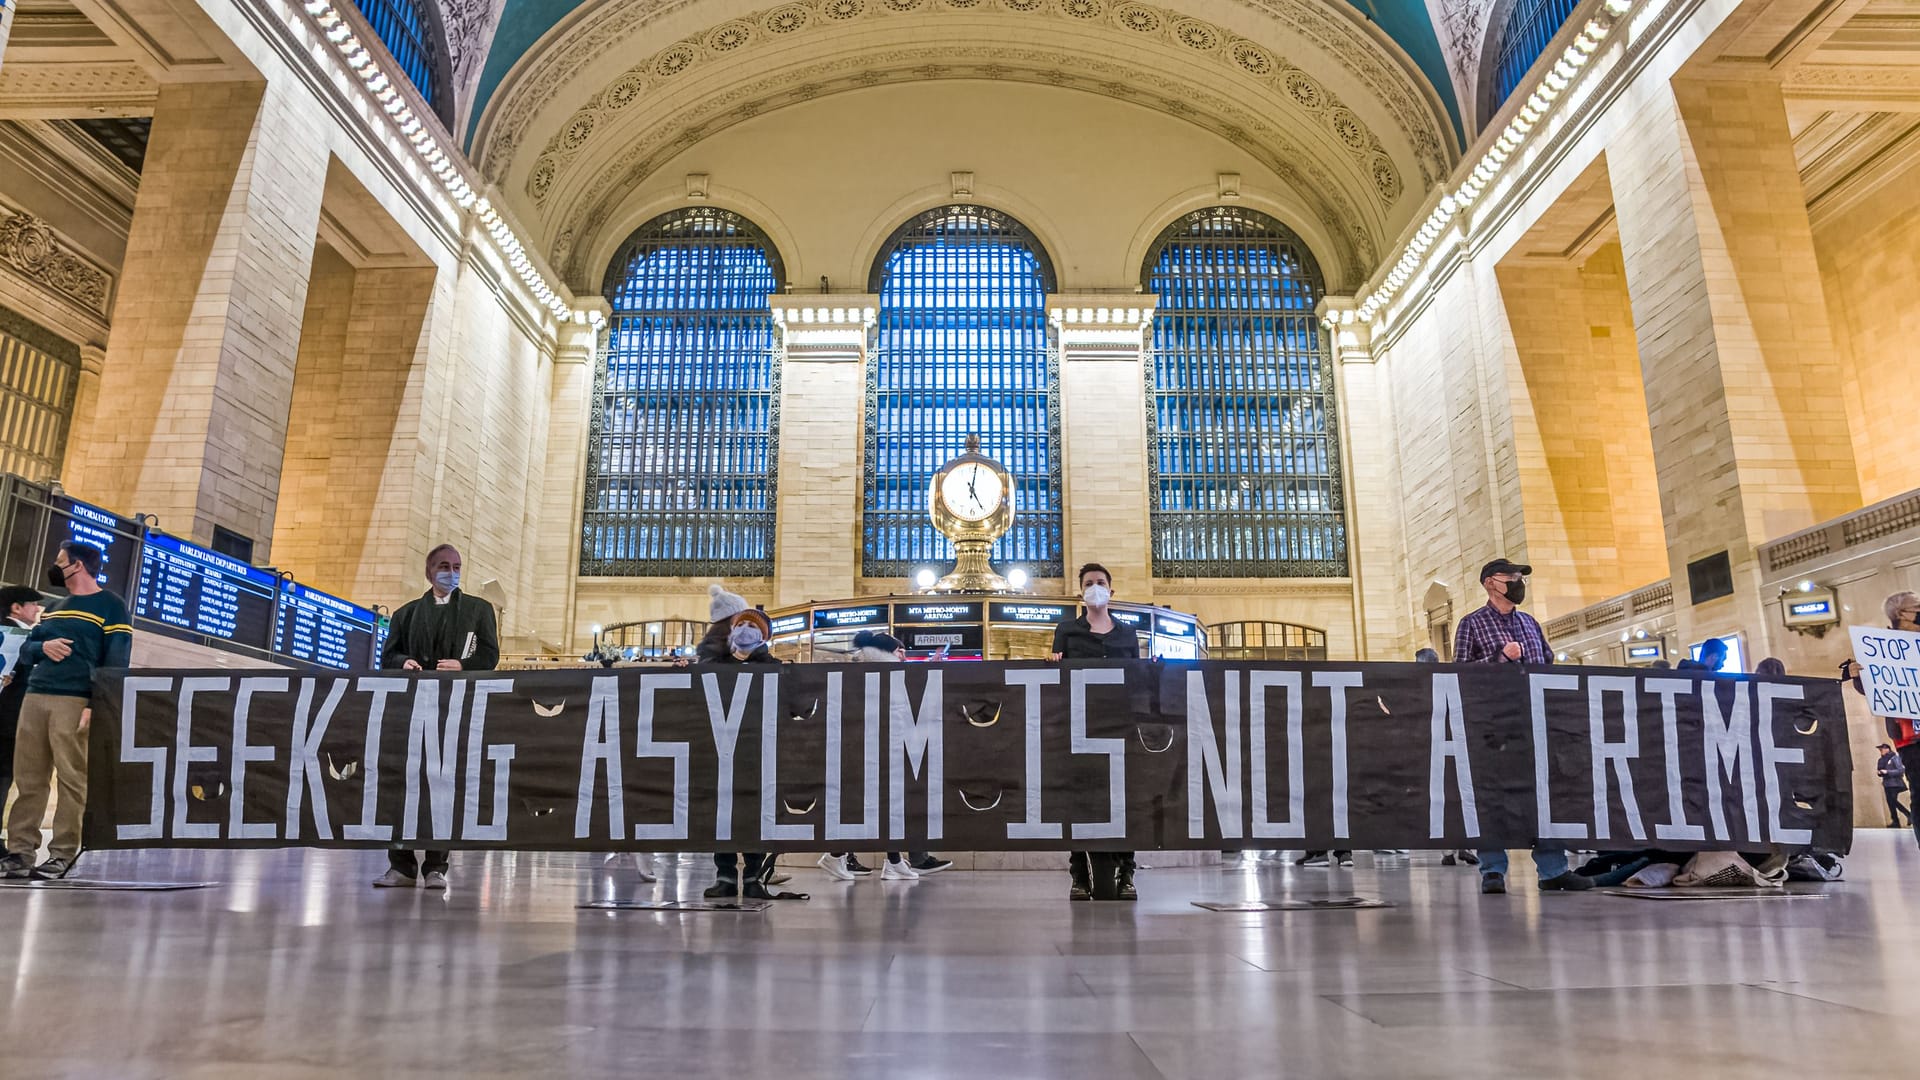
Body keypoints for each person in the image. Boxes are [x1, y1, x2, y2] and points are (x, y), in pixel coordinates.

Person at [1453, 558, 1591, 894]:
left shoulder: (1530, 623)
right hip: (1492, 726)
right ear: (1490, 583)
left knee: (1541, 794)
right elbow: (1460, 672)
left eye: (1519, 578)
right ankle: (1493, 870)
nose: (1517, 582)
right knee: (1492, 797)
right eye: (1511, 577)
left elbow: (1547, 660)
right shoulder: (1471, 624)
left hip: (1532, 720)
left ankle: (1552, 869)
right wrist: (1500, 658)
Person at [0, 541, 131, 880]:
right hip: (35, 695)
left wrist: (96, 703)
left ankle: (62, 854)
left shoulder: (112, 606)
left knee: (72, 779)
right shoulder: (55, 607)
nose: (55, 566)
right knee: (29, 778)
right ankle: (20, 851)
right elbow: (27, 650)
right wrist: (42, 646)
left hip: (74, 700)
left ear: (78, 566)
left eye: (60, 561)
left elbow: (116, 661)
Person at [373, 543, 499, 890]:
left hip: (451, 711)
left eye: (457, 566)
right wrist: (404, 663)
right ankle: (400, 865)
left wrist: (463, 666)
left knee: (441, 786)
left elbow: (489, 656)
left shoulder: (478, 610)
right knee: (403, 784)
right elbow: (390, 655)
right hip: (411, 711)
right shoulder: (406, 614)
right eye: (444, 566)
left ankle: (435, 865)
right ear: (429, 572)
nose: (451, 571)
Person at [817, 629, 952, 882]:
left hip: (879, 748)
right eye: (899, 651)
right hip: (866, 751)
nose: (904, 655)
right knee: (868, 807)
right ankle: (835, 855)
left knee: (888, 806)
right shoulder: (873, 675)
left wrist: (927, 669)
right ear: (885, 653)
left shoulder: (877, 673)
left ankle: (893, 861)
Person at [698, 585, 805, 902]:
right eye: (740, 625)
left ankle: (756, 876)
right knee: (725, 816)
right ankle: (725, 876)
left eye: (752, 627)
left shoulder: (773, 668)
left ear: (764, 636)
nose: (744, 630)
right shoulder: (716, 667)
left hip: (760, 754)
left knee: (757, 816)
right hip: (723, 754)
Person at [1051, 562, 1140, 901]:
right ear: (1080, 593)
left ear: (1111, 591)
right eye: (1089, 583)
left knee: (1125, 802)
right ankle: (1079, 876)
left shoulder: (1127, 634)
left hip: (1120, 728)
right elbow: (1058, 673)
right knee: (1079, 802)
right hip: (1079, 728)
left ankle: (1126, 873)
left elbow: (1136, 677)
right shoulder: (1066, 631)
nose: (1095, 587)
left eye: (1100, 582)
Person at [1844, 591, 1920, 850]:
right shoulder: (1881, 647)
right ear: (1901, 614)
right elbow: (1870, 686)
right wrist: (1857, 674)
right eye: (1917, 607)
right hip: (1911, 738)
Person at [0, 584, 45, 816]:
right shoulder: (14, 637)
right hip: (7, 720)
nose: (38, 609)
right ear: (16, 608)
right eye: (34, 604)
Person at [1878, 743, 1910, 829]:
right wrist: (1880, 773)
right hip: (1887, 784)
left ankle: (1908, 815)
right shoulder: (1882, 760)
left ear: (1887, 749)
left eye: (1882, 749)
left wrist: (1888, 772)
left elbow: (1900, 770)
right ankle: (1895, 821)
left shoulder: (1894, 758)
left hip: (1895, 784)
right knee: (1891, 803)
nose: (1881, 751)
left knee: (1892, 801)